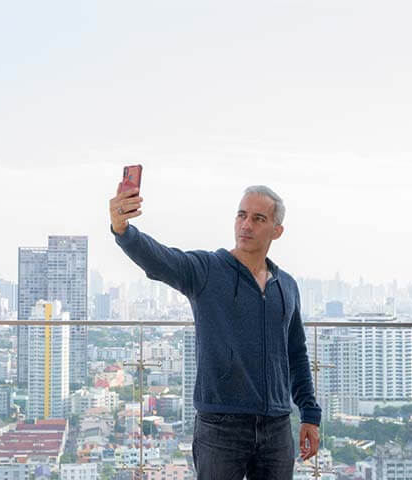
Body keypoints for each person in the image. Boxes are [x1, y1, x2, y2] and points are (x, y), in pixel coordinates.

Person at [109, 184, 321, 480]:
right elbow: (159, 260)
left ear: (277, 230)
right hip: (221, 426)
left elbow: (296, 354)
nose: (246, 225)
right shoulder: (207, 269)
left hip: (276, 427)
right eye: (241, 215)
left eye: (258, 219)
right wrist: (123, 230)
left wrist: (310, 414)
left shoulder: (286, 286)